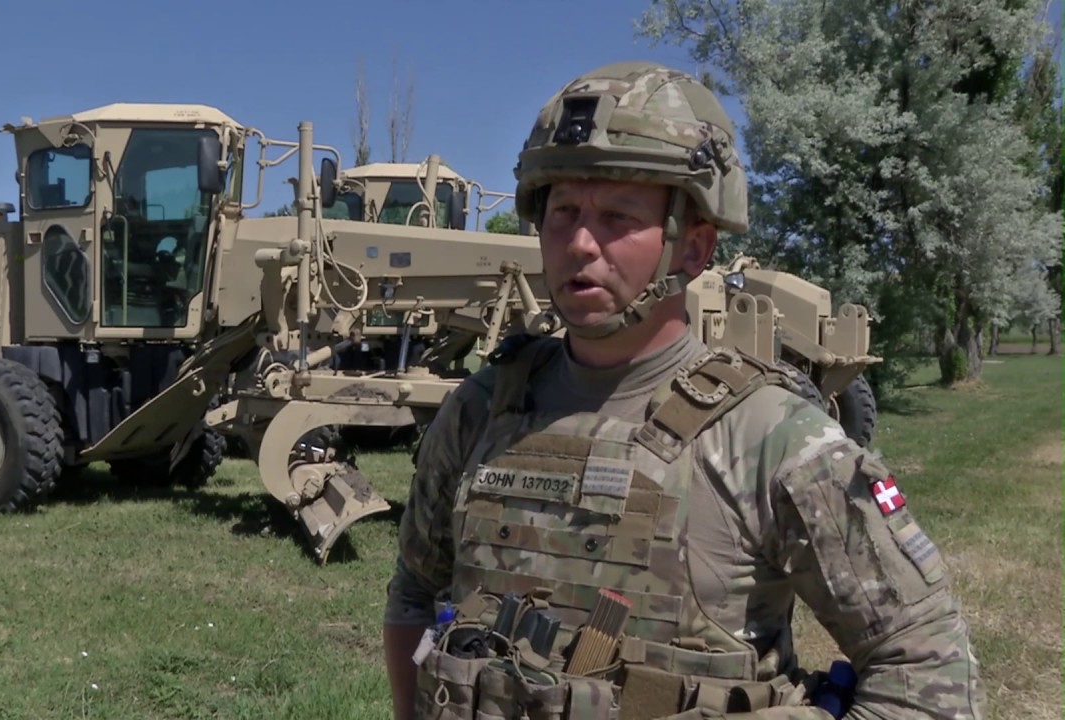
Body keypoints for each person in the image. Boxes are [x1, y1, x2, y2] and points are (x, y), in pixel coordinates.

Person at [382, 61, 985, 720]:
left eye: (617, 217)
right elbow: (416, 592)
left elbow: (926, 663)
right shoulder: (481, 409)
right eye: (562, 212)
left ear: (693, 249)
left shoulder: (771, 437)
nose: (579, 243)